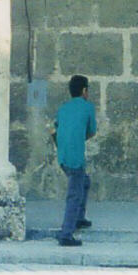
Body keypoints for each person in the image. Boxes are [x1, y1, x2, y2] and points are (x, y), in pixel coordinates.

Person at [53, 74, 97, 247]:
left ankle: (79, 217)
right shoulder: (88, 107)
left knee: (84, 182)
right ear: (85, 91)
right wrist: (80, 138)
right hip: (76, 157)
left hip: (62, 155)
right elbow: (92, 131)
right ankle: (66, 233)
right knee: (74, 194)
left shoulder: (63, 108)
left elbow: (56, 128)